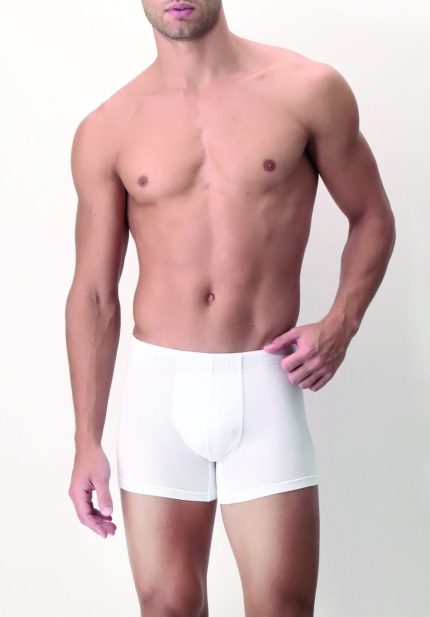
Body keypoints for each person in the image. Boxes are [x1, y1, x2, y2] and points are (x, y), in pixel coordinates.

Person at [65, 1, 396, 615]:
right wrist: (87, 439)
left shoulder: (306, 90)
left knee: (282, 607)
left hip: (265, 383)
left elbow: (372, 216)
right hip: (159, 395)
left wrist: (341, 324)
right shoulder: (108, 127)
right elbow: (93, 294)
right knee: (167, 607)